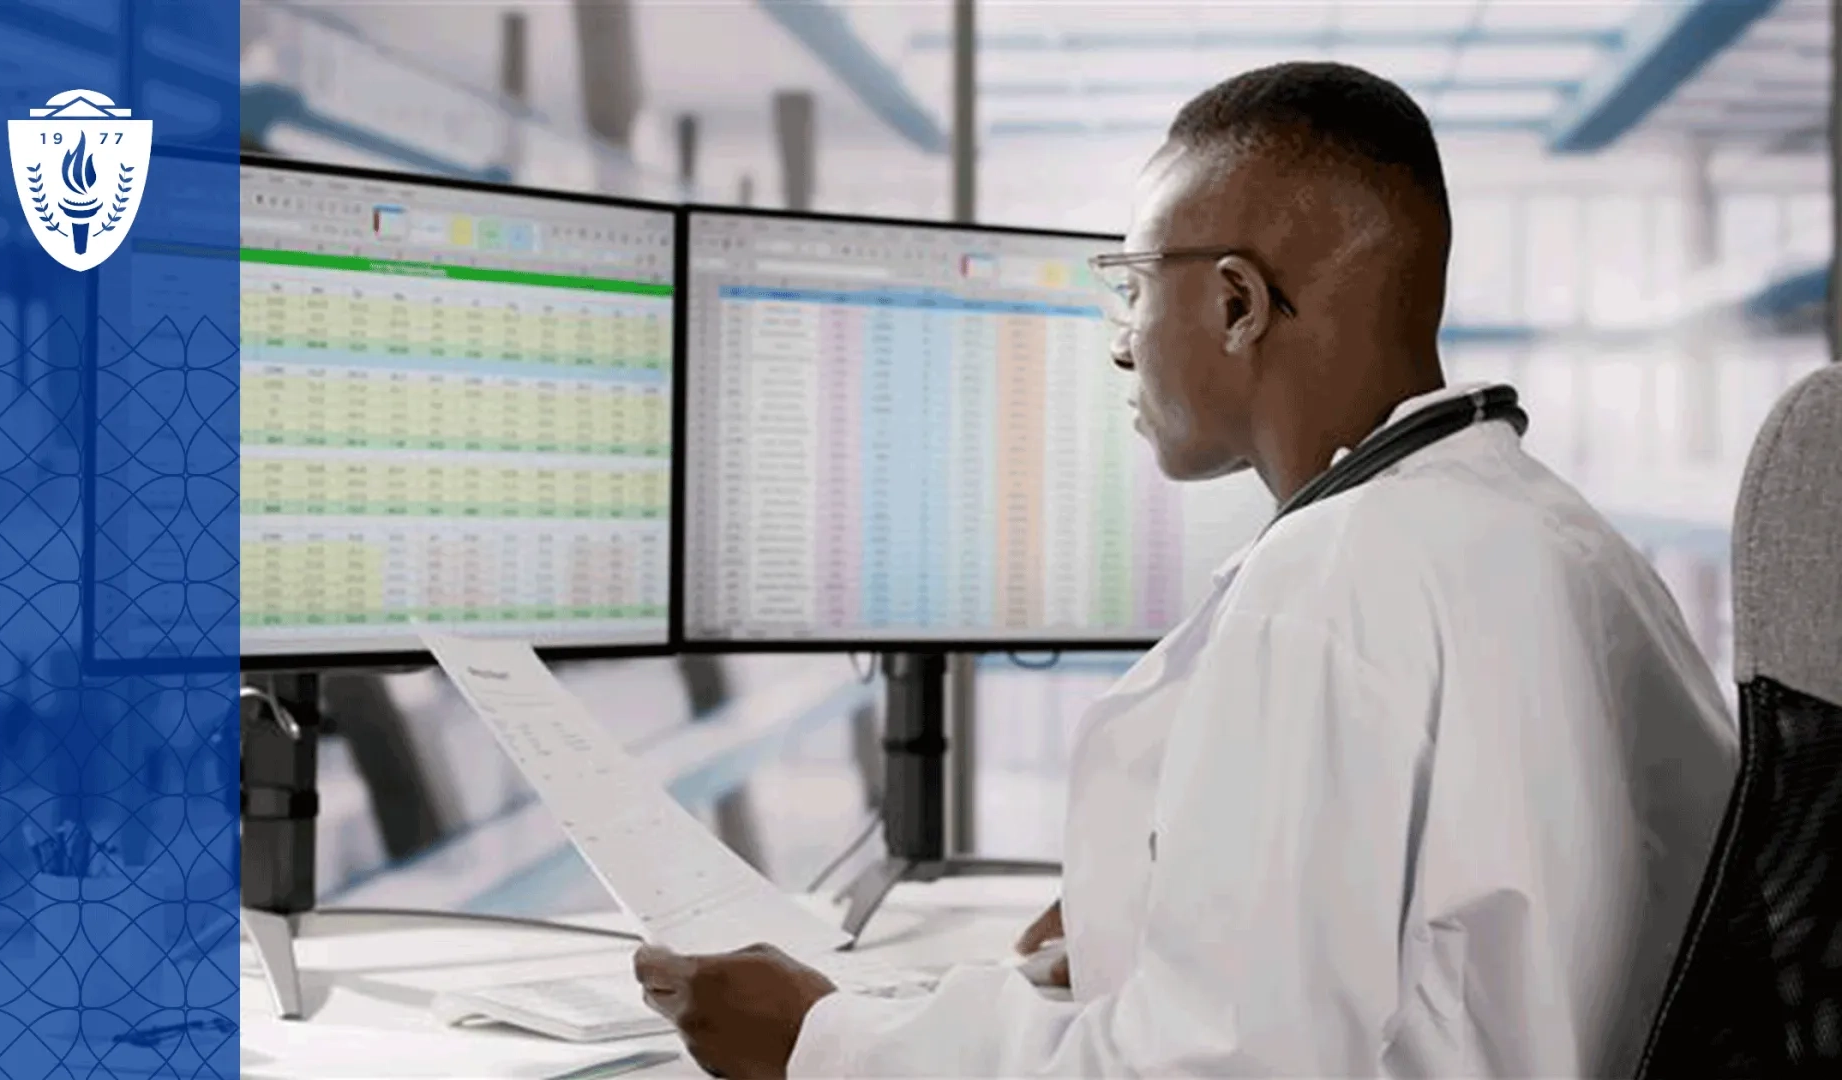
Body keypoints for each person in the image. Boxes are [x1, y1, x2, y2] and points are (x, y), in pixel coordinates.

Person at [633, 61, 1738, 1078]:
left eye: (1134, 285)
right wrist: (1150, 924)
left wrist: (820, 1041)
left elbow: (1209, 1070)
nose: (1123, 341)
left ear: (1235, 304)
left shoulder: (1332, 588)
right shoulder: (1563, 538)